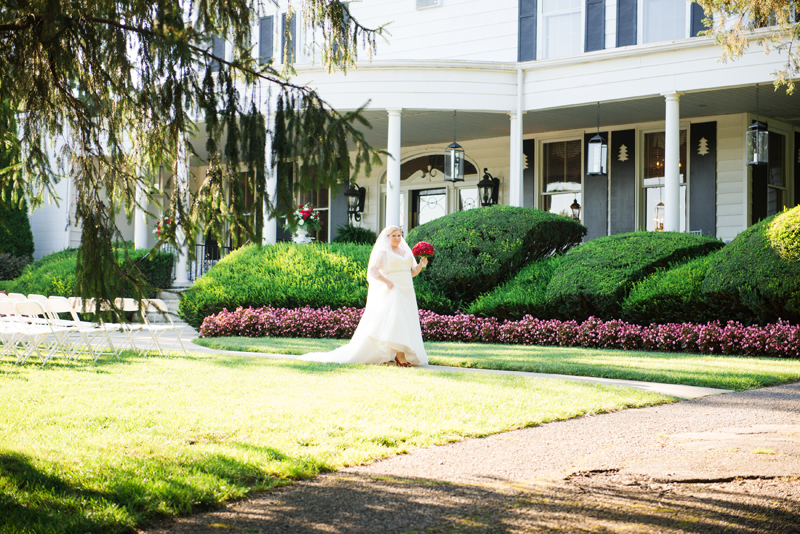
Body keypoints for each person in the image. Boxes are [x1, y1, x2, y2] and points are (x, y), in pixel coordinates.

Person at [300, 225, 429, 367]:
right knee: (395, 320)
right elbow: (373, 270)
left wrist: (422, 265)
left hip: (407, 291)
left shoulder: (406, 252)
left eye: (399, 235)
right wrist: (387, 282)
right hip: (393, 290)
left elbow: (411, 272)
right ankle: (400, 354)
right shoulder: (384, 251)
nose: (397, 238)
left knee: (405, 321)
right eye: (394, 236)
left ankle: (401, 352)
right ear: (387, 238)